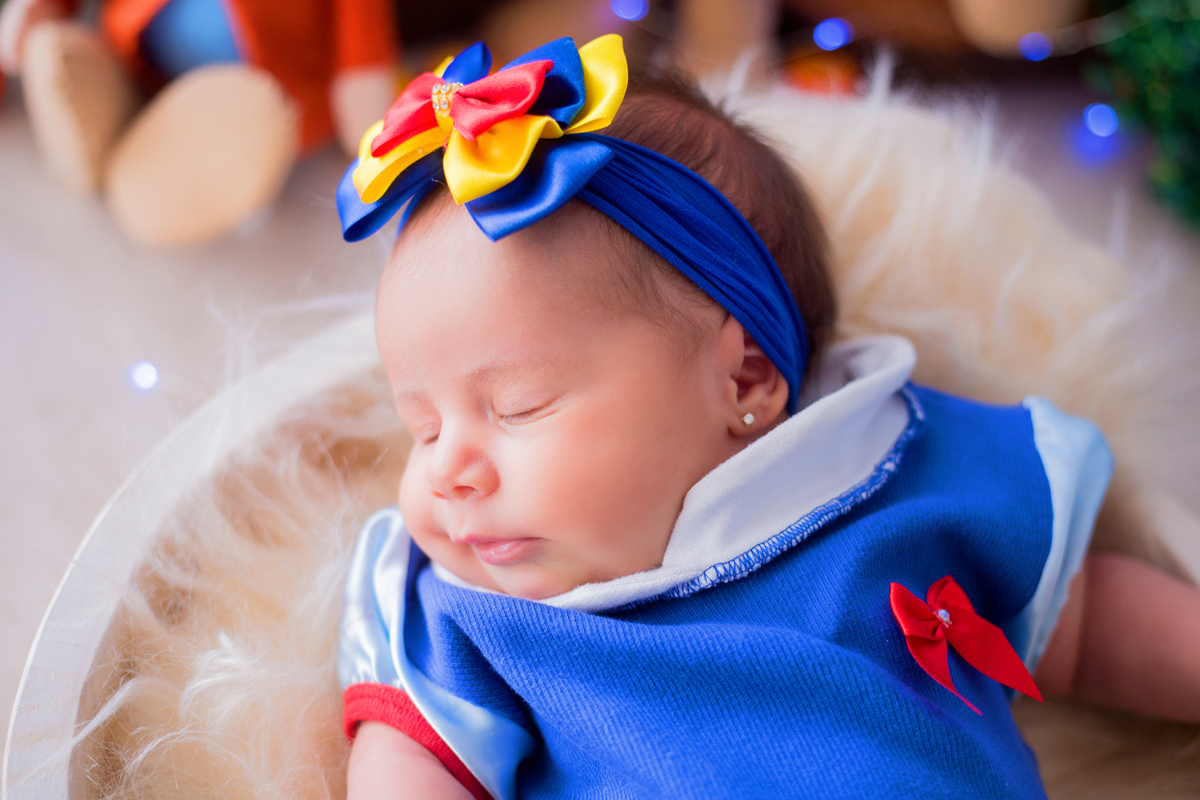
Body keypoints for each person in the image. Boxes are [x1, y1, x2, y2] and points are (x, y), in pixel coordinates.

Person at [334, 35, 1200, 800]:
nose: (448, 470)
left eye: (518, 405)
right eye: (424, 429)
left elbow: (1090, 630)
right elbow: (409, 764)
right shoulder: (472, 616)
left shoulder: (889, 468)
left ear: (745, 380)